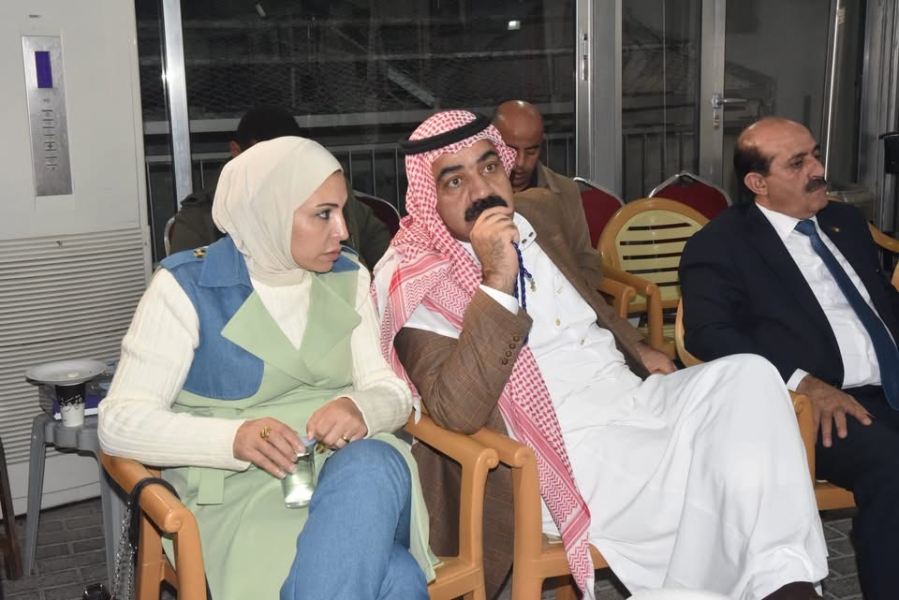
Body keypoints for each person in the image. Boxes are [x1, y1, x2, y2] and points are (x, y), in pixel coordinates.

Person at [372, 110, 828, 600]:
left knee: (751, 378)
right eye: (455, 180)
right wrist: (497, 277)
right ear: (429, 195)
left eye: (489, 167)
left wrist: (637, 346)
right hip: (558, 444)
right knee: (719, 475)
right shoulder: (413, 278)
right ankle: (782, 587)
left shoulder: (535, 217)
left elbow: (586, 297)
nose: (481, 190)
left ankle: (778, 581)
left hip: (631, 397)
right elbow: (455, 410)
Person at [99, 136, 434, 600]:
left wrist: (360, 408)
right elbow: (118, 422)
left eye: (343, 211)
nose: (342, 230)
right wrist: (233, 439)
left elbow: (393, 391)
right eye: (323, 214)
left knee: (374, 462)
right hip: (239, 497)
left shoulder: (349, 276)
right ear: (269, 211)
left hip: (355, 487)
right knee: (397, 578)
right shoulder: (185, 288)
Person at [680, 116, 899, 600]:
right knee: (893, 469)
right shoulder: (720, 245)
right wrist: (803, 382)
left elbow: (882, 303)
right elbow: (708, 335)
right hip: (817, 405)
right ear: (757, 183)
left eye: (815, 155)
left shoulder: (845, 223)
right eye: (798, 163)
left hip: (890, 381)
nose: (818, 170)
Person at [169, 105, 393, 269]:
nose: (340, 230)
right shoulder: (200, 216)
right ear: (236, 151)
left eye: (285, 161)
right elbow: (190, 287)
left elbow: (384, 254)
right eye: (264, 159)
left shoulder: (332, 199)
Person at [492, 100, 602, 289]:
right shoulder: (476, 195)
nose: (520, 163)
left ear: (542, 146)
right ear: (491, 143)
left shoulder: (565, 191)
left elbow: (587, 262)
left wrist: (570, 294)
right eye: (511, 150)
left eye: (531, 151)